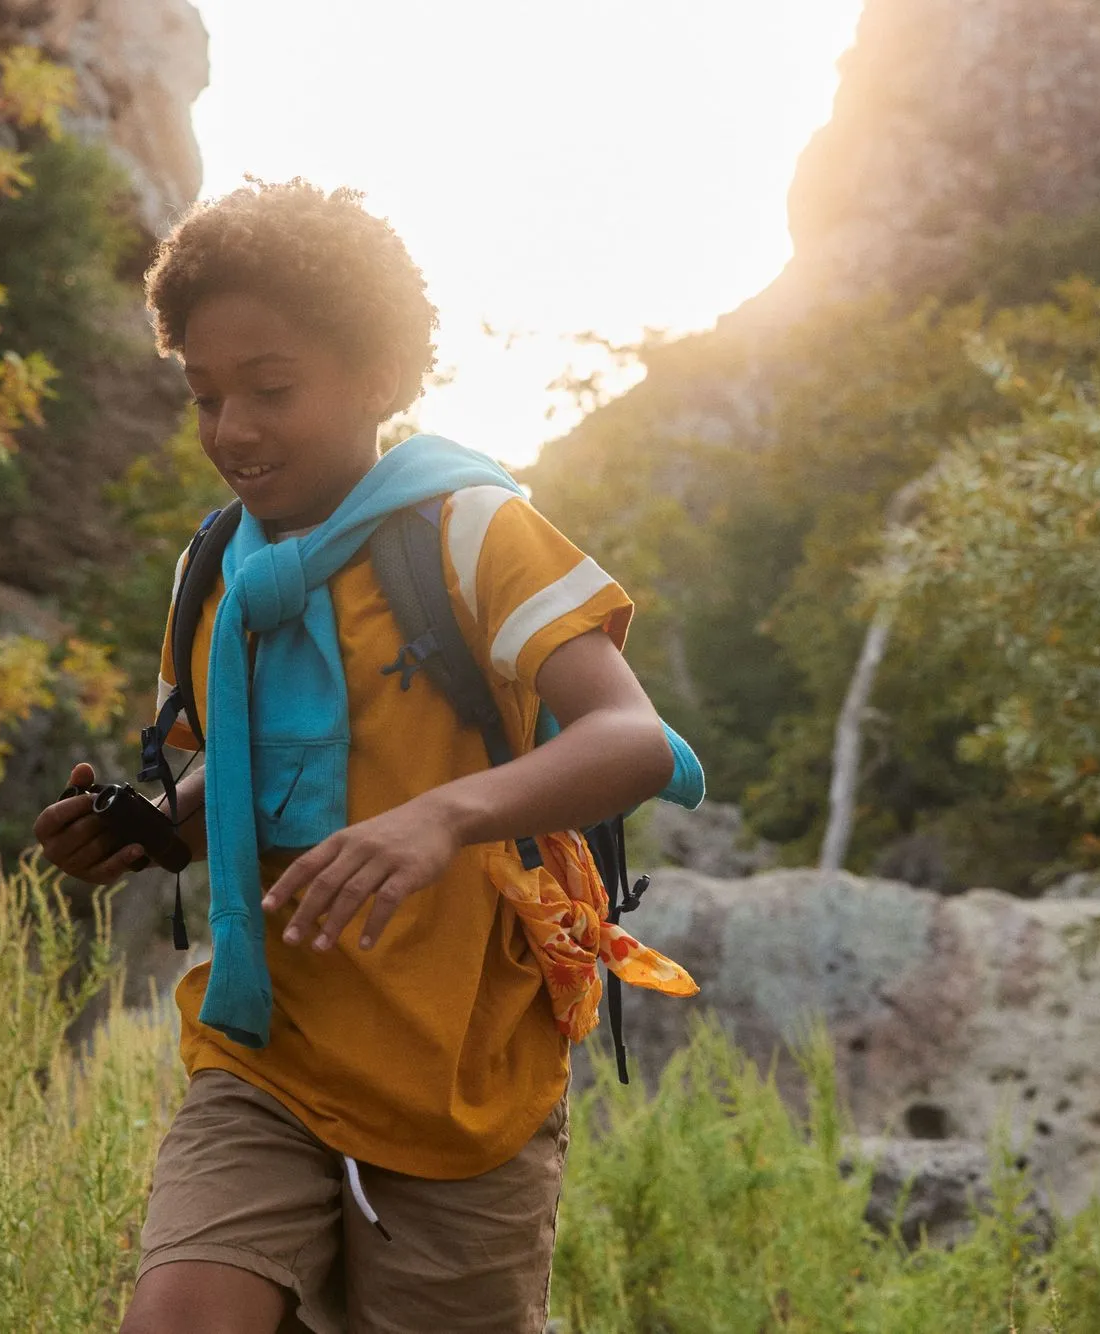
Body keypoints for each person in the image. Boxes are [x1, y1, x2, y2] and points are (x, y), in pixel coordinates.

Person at [34, 178, 685, 1334]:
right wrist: (149, 827)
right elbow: (231, 780)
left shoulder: (469, 530)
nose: (231, 429)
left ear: (376, 375)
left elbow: (631, 739)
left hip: (458, 1081)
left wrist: (438, 817)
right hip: (264, 1054)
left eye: (269, 389)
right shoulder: (218, 571)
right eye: (204, 394)